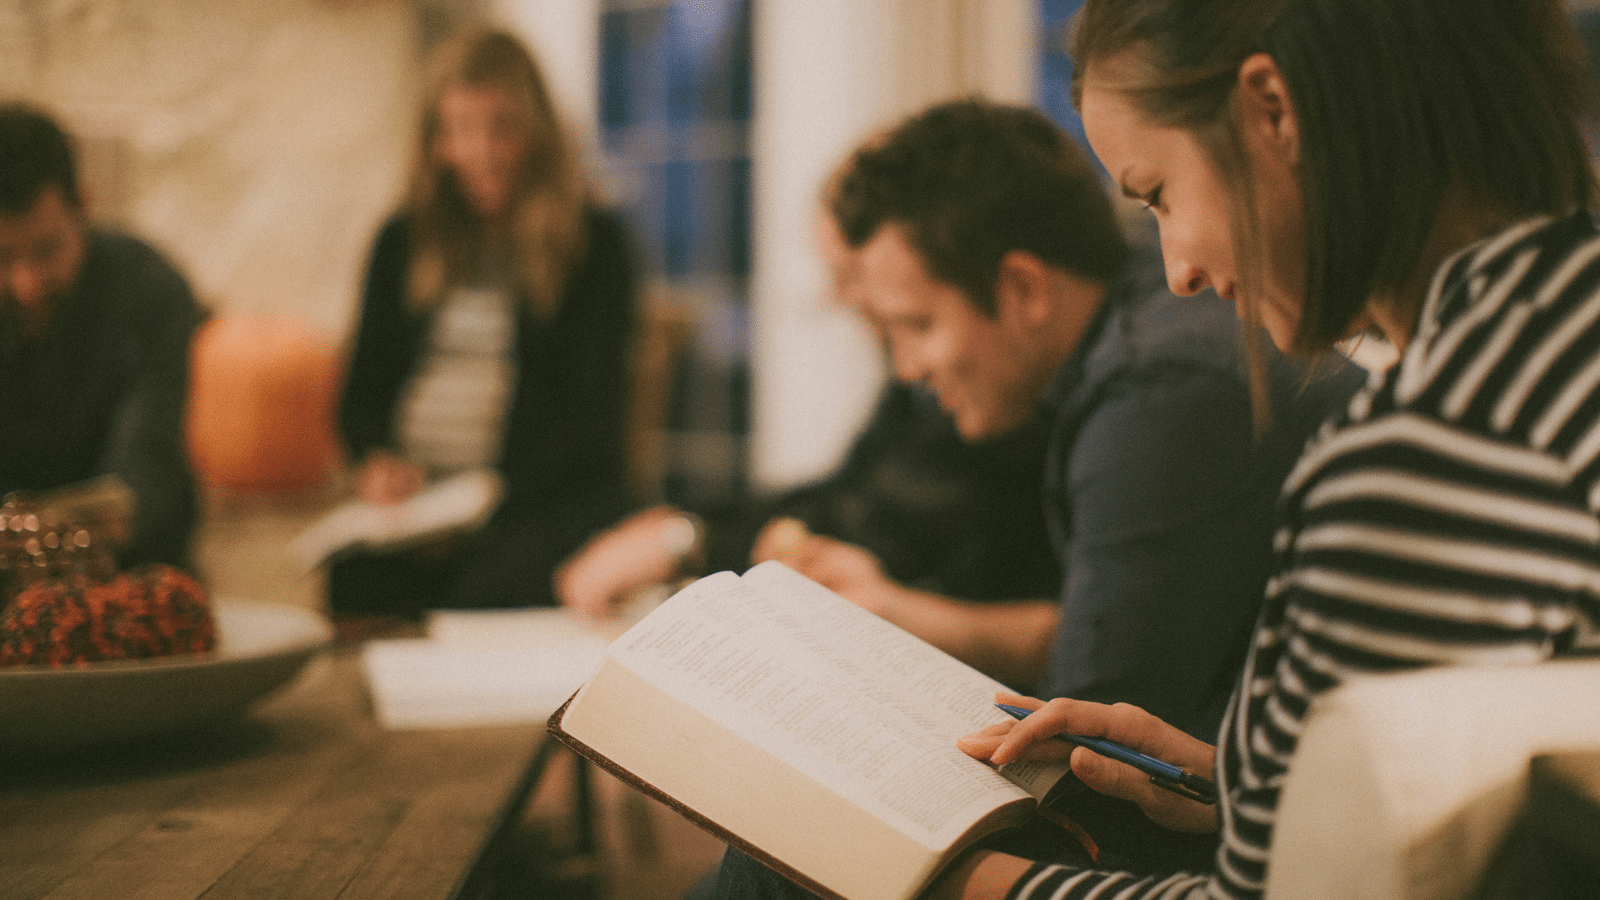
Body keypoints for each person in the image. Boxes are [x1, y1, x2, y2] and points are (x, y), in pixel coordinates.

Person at [905, 0, 1600, 898]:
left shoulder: (1425, 453)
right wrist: (1234, 783)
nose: (1178, 272)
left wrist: (943, 874)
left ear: (1273, 109)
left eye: (1158, 195)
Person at [707, 98, 1363, 892]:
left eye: (915, 326)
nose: (907, 369)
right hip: (1247, 800)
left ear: (1022, 288)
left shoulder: (1161, 389)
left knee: (781, 854)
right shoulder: (1123, 360)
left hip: (1245, 852)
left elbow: (1091, 753)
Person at [555, 212, 1061, 620]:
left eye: (848, 273)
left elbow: (881, 521)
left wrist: (689, 540)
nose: (840, 298)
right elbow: (847, 492)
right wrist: (687, 527)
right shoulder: (919, 387)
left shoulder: (987, 394)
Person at [331, 27, 642, 616]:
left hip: (539, 502)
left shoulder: (596, 247)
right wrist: (377, 463)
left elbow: (589, 422)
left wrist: (479, 501)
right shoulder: (400, 242)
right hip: (418, 507)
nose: (481, 152)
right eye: (459, 130)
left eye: (502, 128)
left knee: (489, 586)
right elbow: (359, 398)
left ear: (537, 133)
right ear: (435, 141)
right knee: (354, 583)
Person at [0, 102, 203, 570]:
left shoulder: (150, 290)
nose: (26, 285)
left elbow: (144, 458)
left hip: (130, 571)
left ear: (84, 210)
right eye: (3, 258)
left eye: (47, 251)